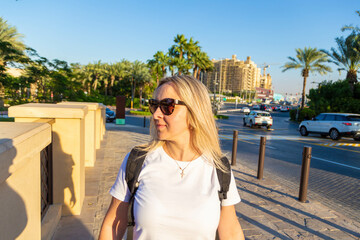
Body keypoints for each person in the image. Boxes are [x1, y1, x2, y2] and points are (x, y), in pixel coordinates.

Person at [99, 75, 244, 240]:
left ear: (194, 111)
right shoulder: (138, 160)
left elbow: (231, 231)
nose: (155, 115)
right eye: (154, 105)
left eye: (167, 106)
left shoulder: (219, 168)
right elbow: (113, 223)